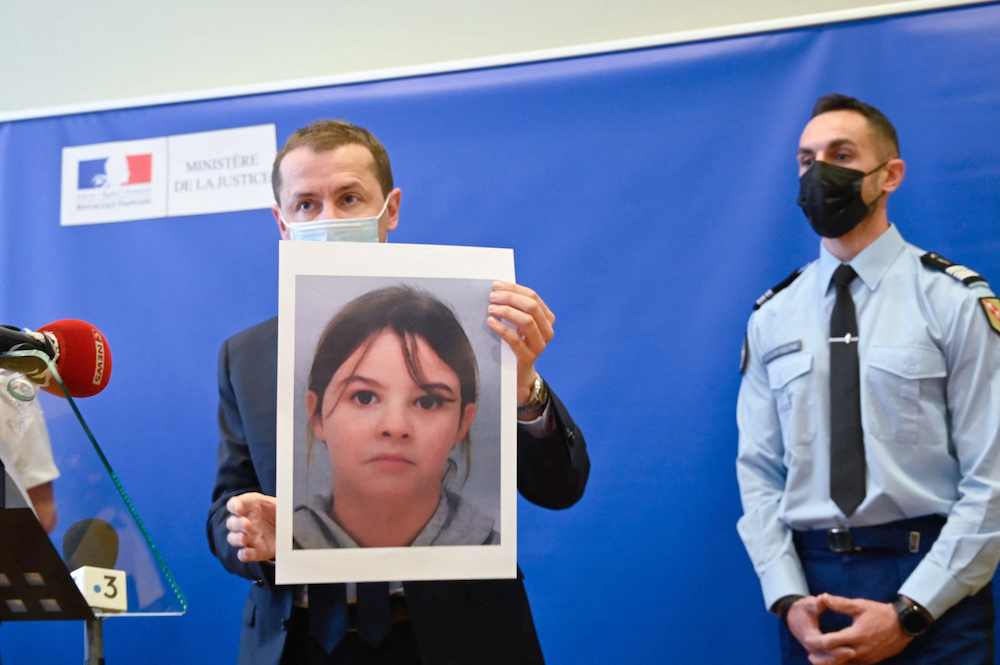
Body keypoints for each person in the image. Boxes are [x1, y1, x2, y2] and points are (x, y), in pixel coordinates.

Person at [207, 120, 589, 665]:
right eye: (307, 204)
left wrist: (525, 383)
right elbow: (225, 507)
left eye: (349, 198)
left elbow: (560, 487)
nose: (329, 219)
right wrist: (251, 537)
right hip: (300, 643)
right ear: (282, 222)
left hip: (462, 641)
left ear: (390, 209)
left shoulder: (479, 327)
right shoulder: (245, 356)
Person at [736, 93, 1000, 665]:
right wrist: (787, 596)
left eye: (841, 155)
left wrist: (913, 611)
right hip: (814, 597)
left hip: (934, 585)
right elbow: (758, 474)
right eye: (806, 160)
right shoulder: (772, 316)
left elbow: (993, 476)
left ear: (890, 175)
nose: (819, 173)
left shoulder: (953, 301)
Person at [293, 286, 498, 549]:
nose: (395, 426)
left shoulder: (495, 561)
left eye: (427, 402)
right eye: (364, 397)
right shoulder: (271, 553)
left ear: (463, 424)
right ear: (316, 415)